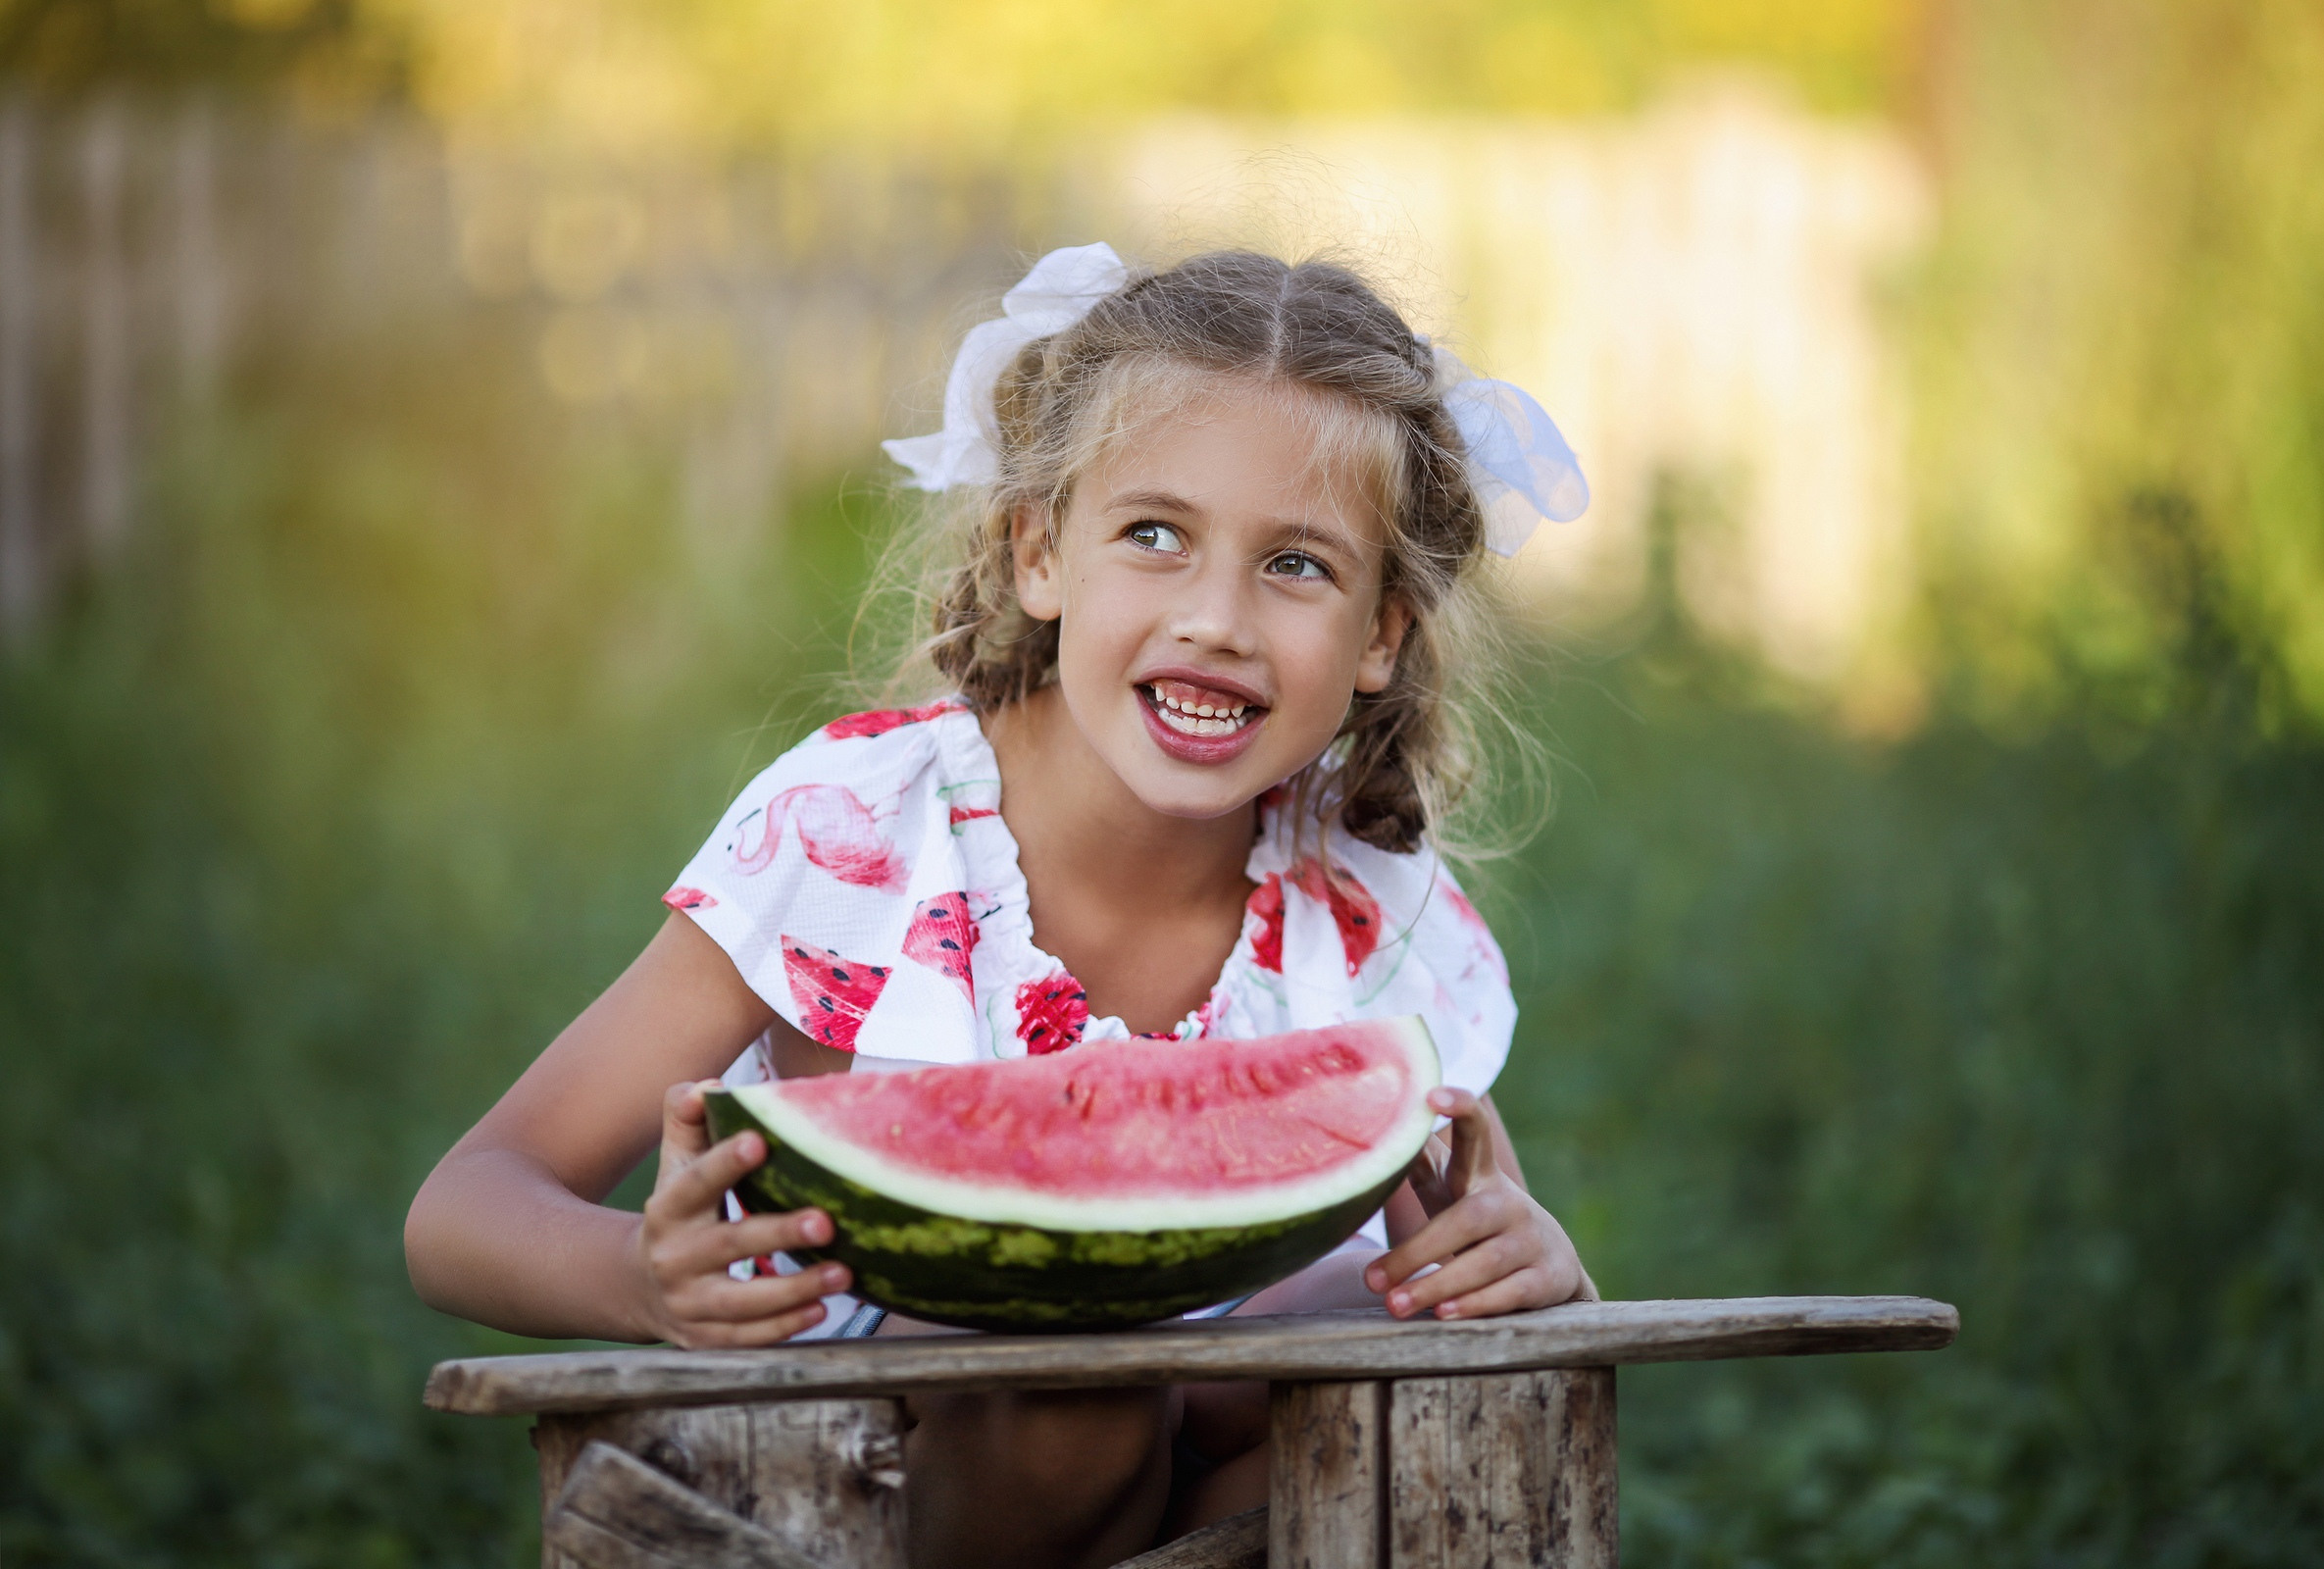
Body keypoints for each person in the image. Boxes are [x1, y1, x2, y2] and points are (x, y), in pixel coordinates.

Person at [404, 243, 1600, 1569]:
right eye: (1154, 535)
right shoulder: (860, 835)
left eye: (1299, 566)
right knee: (1072, 1390)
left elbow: (1450, 1269)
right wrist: (641, 1277)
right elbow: (463, 1207)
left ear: (1382, 633)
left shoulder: (1372, 915)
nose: (1216, 618)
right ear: (1042, 551)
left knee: (1407, 1406)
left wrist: (1518, 1266)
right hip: (864, 1478)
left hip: (1214, 1475)